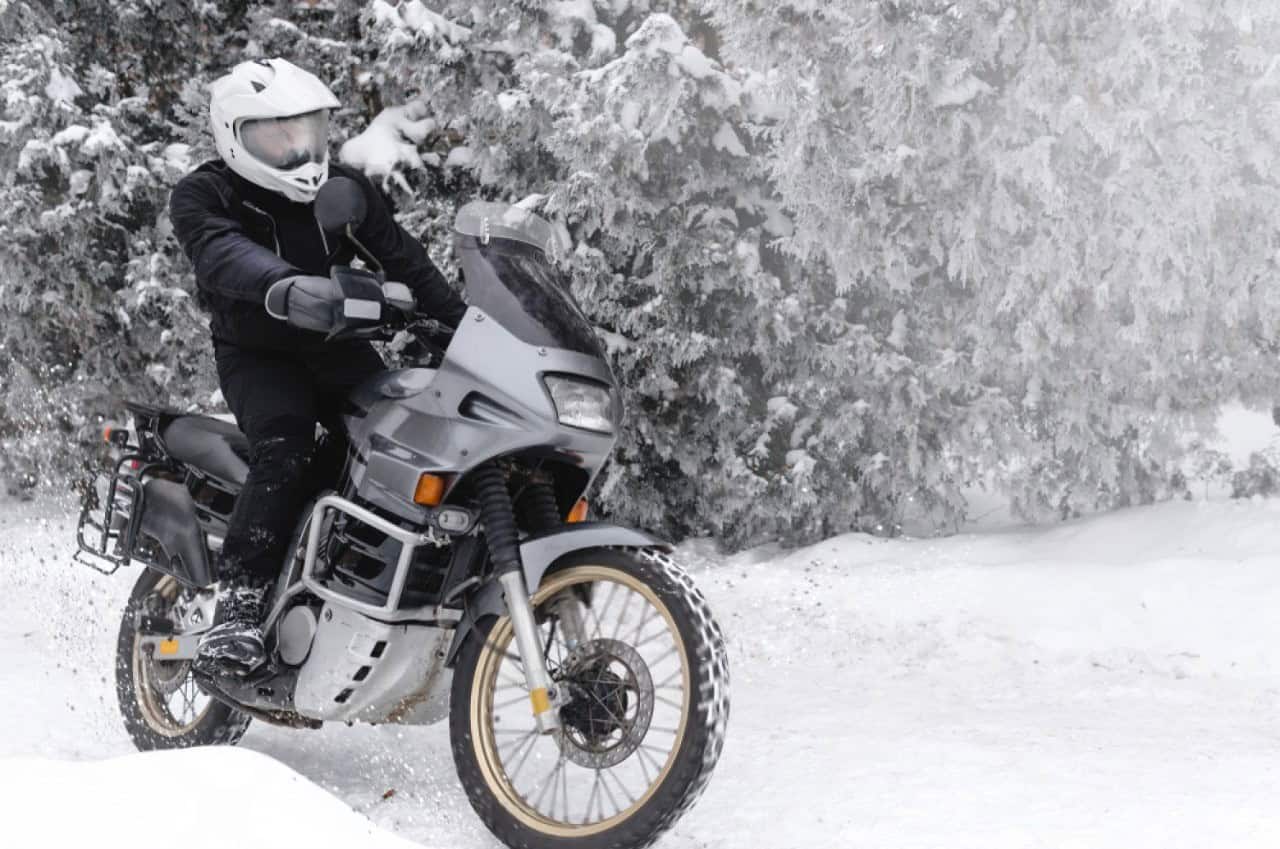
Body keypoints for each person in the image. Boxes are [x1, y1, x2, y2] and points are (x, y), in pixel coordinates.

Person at [169, 57, 466, 674]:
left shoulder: (346, 192)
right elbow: (222, 252)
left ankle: (360, 573)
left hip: (337, 347)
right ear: (235, 135)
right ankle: (239, 609)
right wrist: (286, 286)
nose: (296, 147)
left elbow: (408, 263)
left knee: (399, 440)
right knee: (286, 448)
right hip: (258, 354)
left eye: (306, 130)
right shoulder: (204, 193)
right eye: (276, 134)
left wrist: (469, 334)